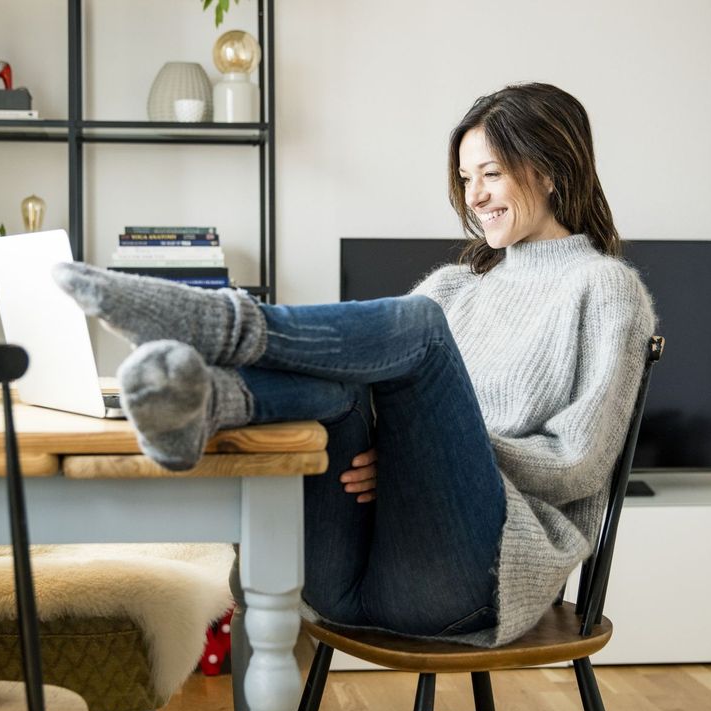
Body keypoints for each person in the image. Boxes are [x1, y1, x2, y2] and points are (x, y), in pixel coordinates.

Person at [52, 82, 655, 646]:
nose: (473, 197)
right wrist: (404, 449)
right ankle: (209, 403)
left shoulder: (603, 288)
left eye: (491, 174)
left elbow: (580, 466)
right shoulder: (455, 285)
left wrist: (426, 451)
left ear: (548, 171)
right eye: (467, 178)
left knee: (419, 329)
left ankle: (220, 323)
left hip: (473, 583)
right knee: (348, 378)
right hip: (348, 577)